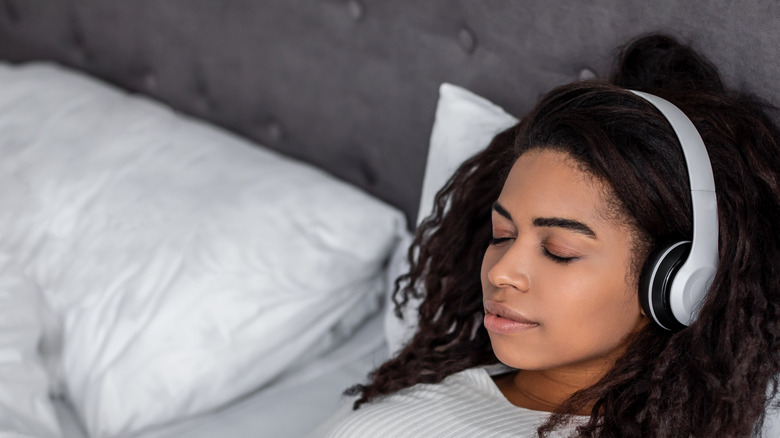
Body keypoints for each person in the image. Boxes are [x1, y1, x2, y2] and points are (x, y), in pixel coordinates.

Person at [318, 33, 780, 437]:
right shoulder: (404, 406)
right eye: (501, 235)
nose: (501, 272)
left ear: (677, 281)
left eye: (559, 251)